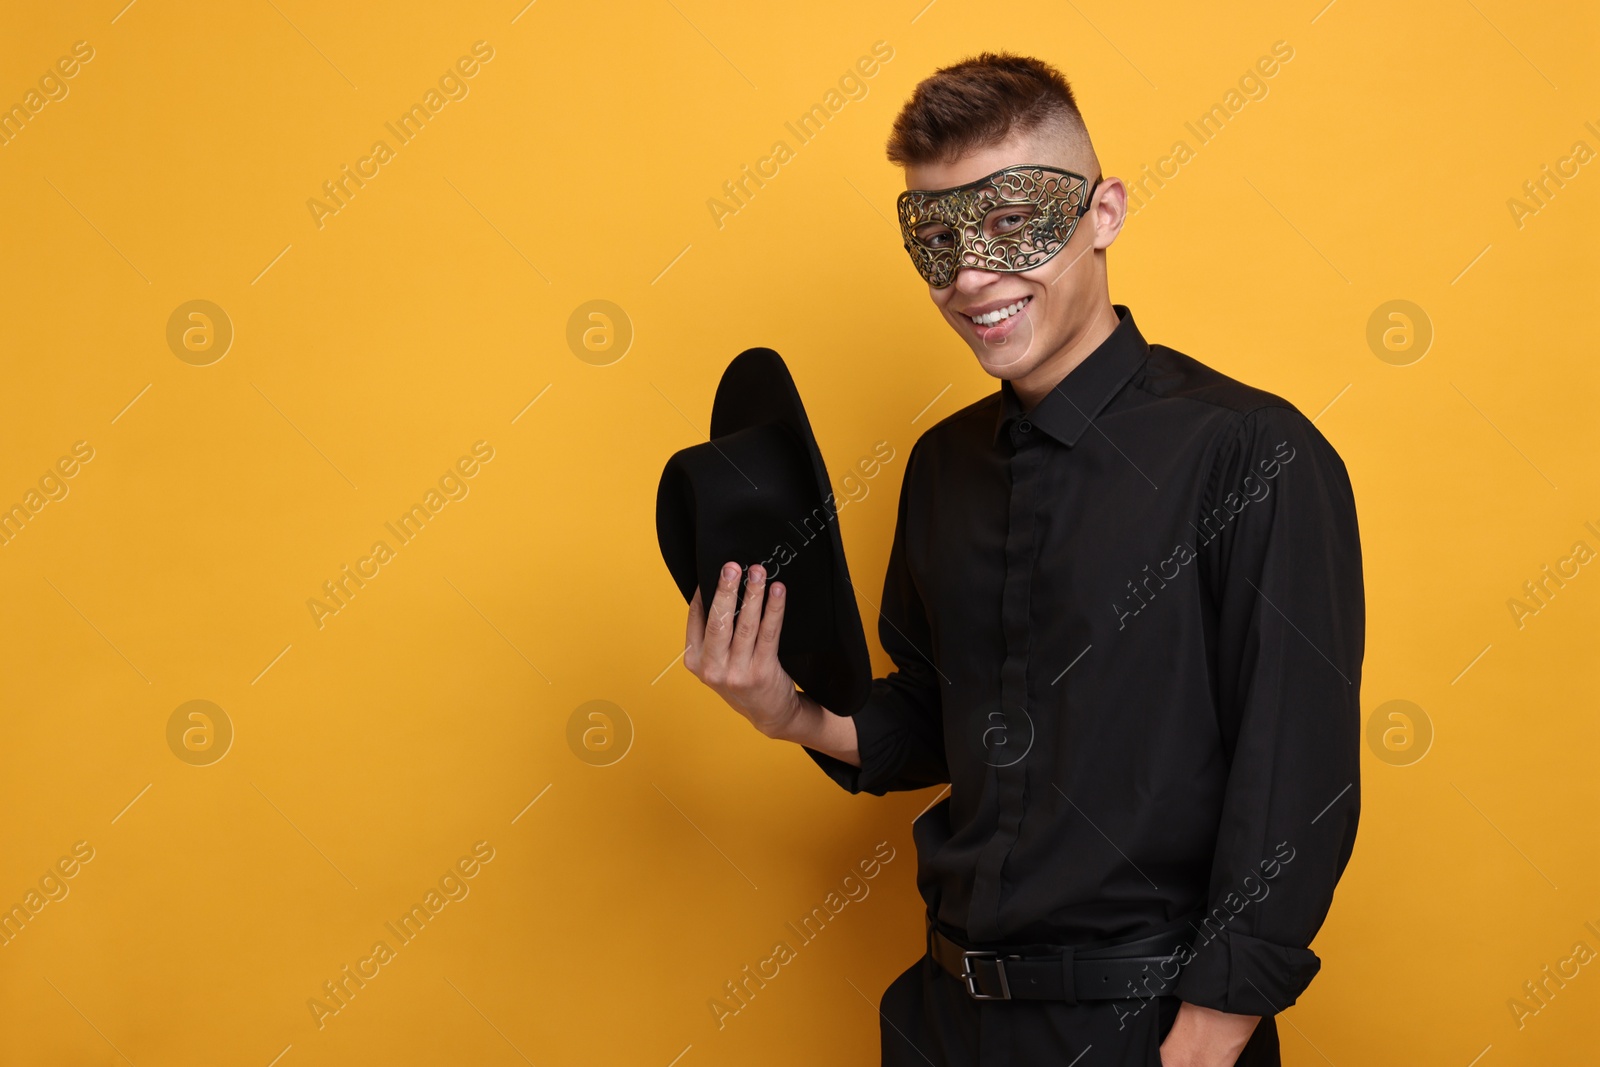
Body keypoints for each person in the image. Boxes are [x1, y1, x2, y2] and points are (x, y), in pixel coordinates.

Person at [681, 52, 1363, 1067]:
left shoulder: (1251, 453)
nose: (968, 278)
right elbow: (935, 714)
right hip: (941, 1015)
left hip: (1145, 1027)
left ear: (1104, 214)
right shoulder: (942, 465)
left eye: (1012, 227)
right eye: (937, 239)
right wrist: (791, 715)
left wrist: (1214, 1027)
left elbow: (1294, 768)